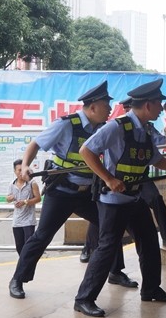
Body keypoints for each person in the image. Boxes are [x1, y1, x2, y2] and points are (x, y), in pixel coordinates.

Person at [73, 79, 166, 317]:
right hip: (113, 202)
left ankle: (151, 289)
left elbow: (158, 161)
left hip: (135, 198)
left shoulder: (146, 130)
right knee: (107, 248)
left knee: (150, 241)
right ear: (147, 105)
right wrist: (108, 179)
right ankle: (84, 299)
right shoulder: (117, 127)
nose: (161, 109)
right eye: (159, 104)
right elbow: (86, 151)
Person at [8, 81, 135, 299]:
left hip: (87, 193)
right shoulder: (65, 124)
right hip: (62, 192)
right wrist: (26, 165)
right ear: (93, 107)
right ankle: (18, 279)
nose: (109, 110)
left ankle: (115, 272)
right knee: (42, 236)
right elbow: (35, 144)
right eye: (106, 105)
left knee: (110, 227)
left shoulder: (102, 128)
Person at [6, 159, 41, 255]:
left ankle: (27, 263)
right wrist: (10, 198)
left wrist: (25, 202)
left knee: (29, 247)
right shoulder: (12, 184)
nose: (21, 172)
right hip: (17, 221)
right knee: (19, 247)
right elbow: (7, 198)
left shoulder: (32, 183)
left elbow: (38, 198)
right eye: (19, 170)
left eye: (23, 169)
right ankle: (23, 263)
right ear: (15, 171)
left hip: (29, 221)